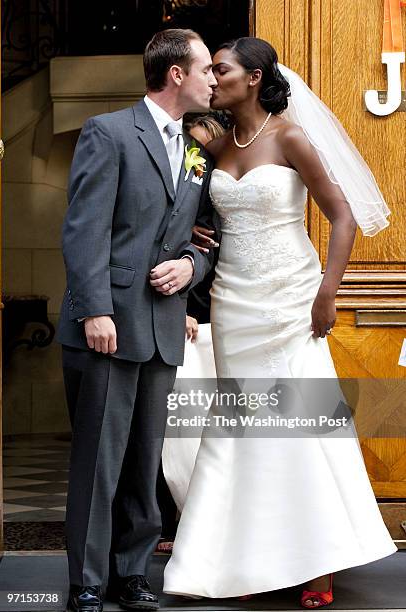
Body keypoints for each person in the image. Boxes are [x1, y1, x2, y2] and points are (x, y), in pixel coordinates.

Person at [163, 37, 396, 608]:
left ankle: (317, 561)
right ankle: (240, 559)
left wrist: (327, 293)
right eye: (210, 69)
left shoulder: (291, 135)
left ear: (255, 77)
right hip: (234, 299)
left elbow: (342, 218)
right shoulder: (215, 142)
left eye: (222, 69)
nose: (213, 78)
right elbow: (189, 204)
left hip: (292, 298)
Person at [56, 28, 217, 612]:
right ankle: (88, 583)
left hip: (164, 328)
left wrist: (189, 268)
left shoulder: (198, 152)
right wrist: (95, 309)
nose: (213, 80)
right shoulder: (110, 132)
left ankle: (131, 574)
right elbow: (83, 231)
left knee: (145, 460)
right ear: (177, 73)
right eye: (205, 70)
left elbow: (206, 238)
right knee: (99, 461)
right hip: (107, 328)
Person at [157, 115, 225, 554]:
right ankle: (173, 520)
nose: (195, 157)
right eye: (191, 146)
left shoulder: (225, 177)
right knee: (178, 425)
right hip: (186, 305)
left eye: (204, 150)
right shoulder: (182, 177)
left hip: (229, 303)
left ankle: (209, 517)